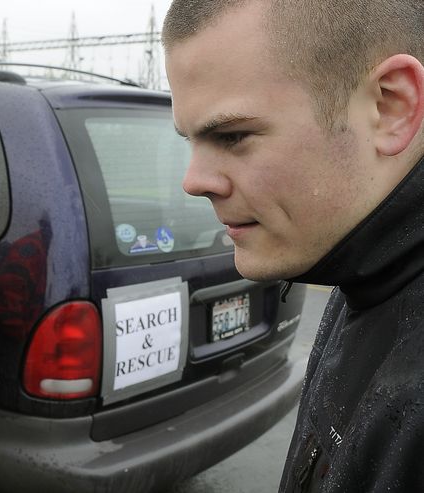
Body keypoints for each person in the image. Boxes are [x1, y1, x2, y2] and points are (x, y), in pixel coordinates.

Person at [162, 1, 424, 491]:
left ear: (392, 107)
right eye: (189, 141)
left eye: (233, 135)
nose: (193, 181)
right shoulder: (363, 261)